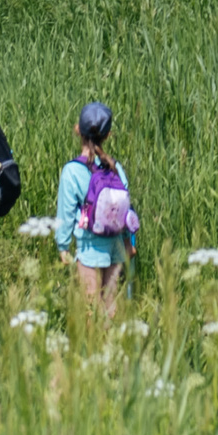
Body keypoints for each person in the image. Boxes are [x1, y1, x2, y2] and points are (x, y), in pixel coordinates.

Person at [53, 102, 138, 314]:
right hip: (116, 248)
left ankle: (93, 346)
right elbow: (125, 208)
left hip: (89, 248)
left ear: (77, 130)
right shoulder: (115, 167)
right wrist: (128, 241)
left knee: (90, 307)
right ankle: (112, 346)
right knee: (111, 306)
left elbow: (65, 213)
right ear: (108, 134)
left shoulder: (72, 171)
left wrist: (63, 246)